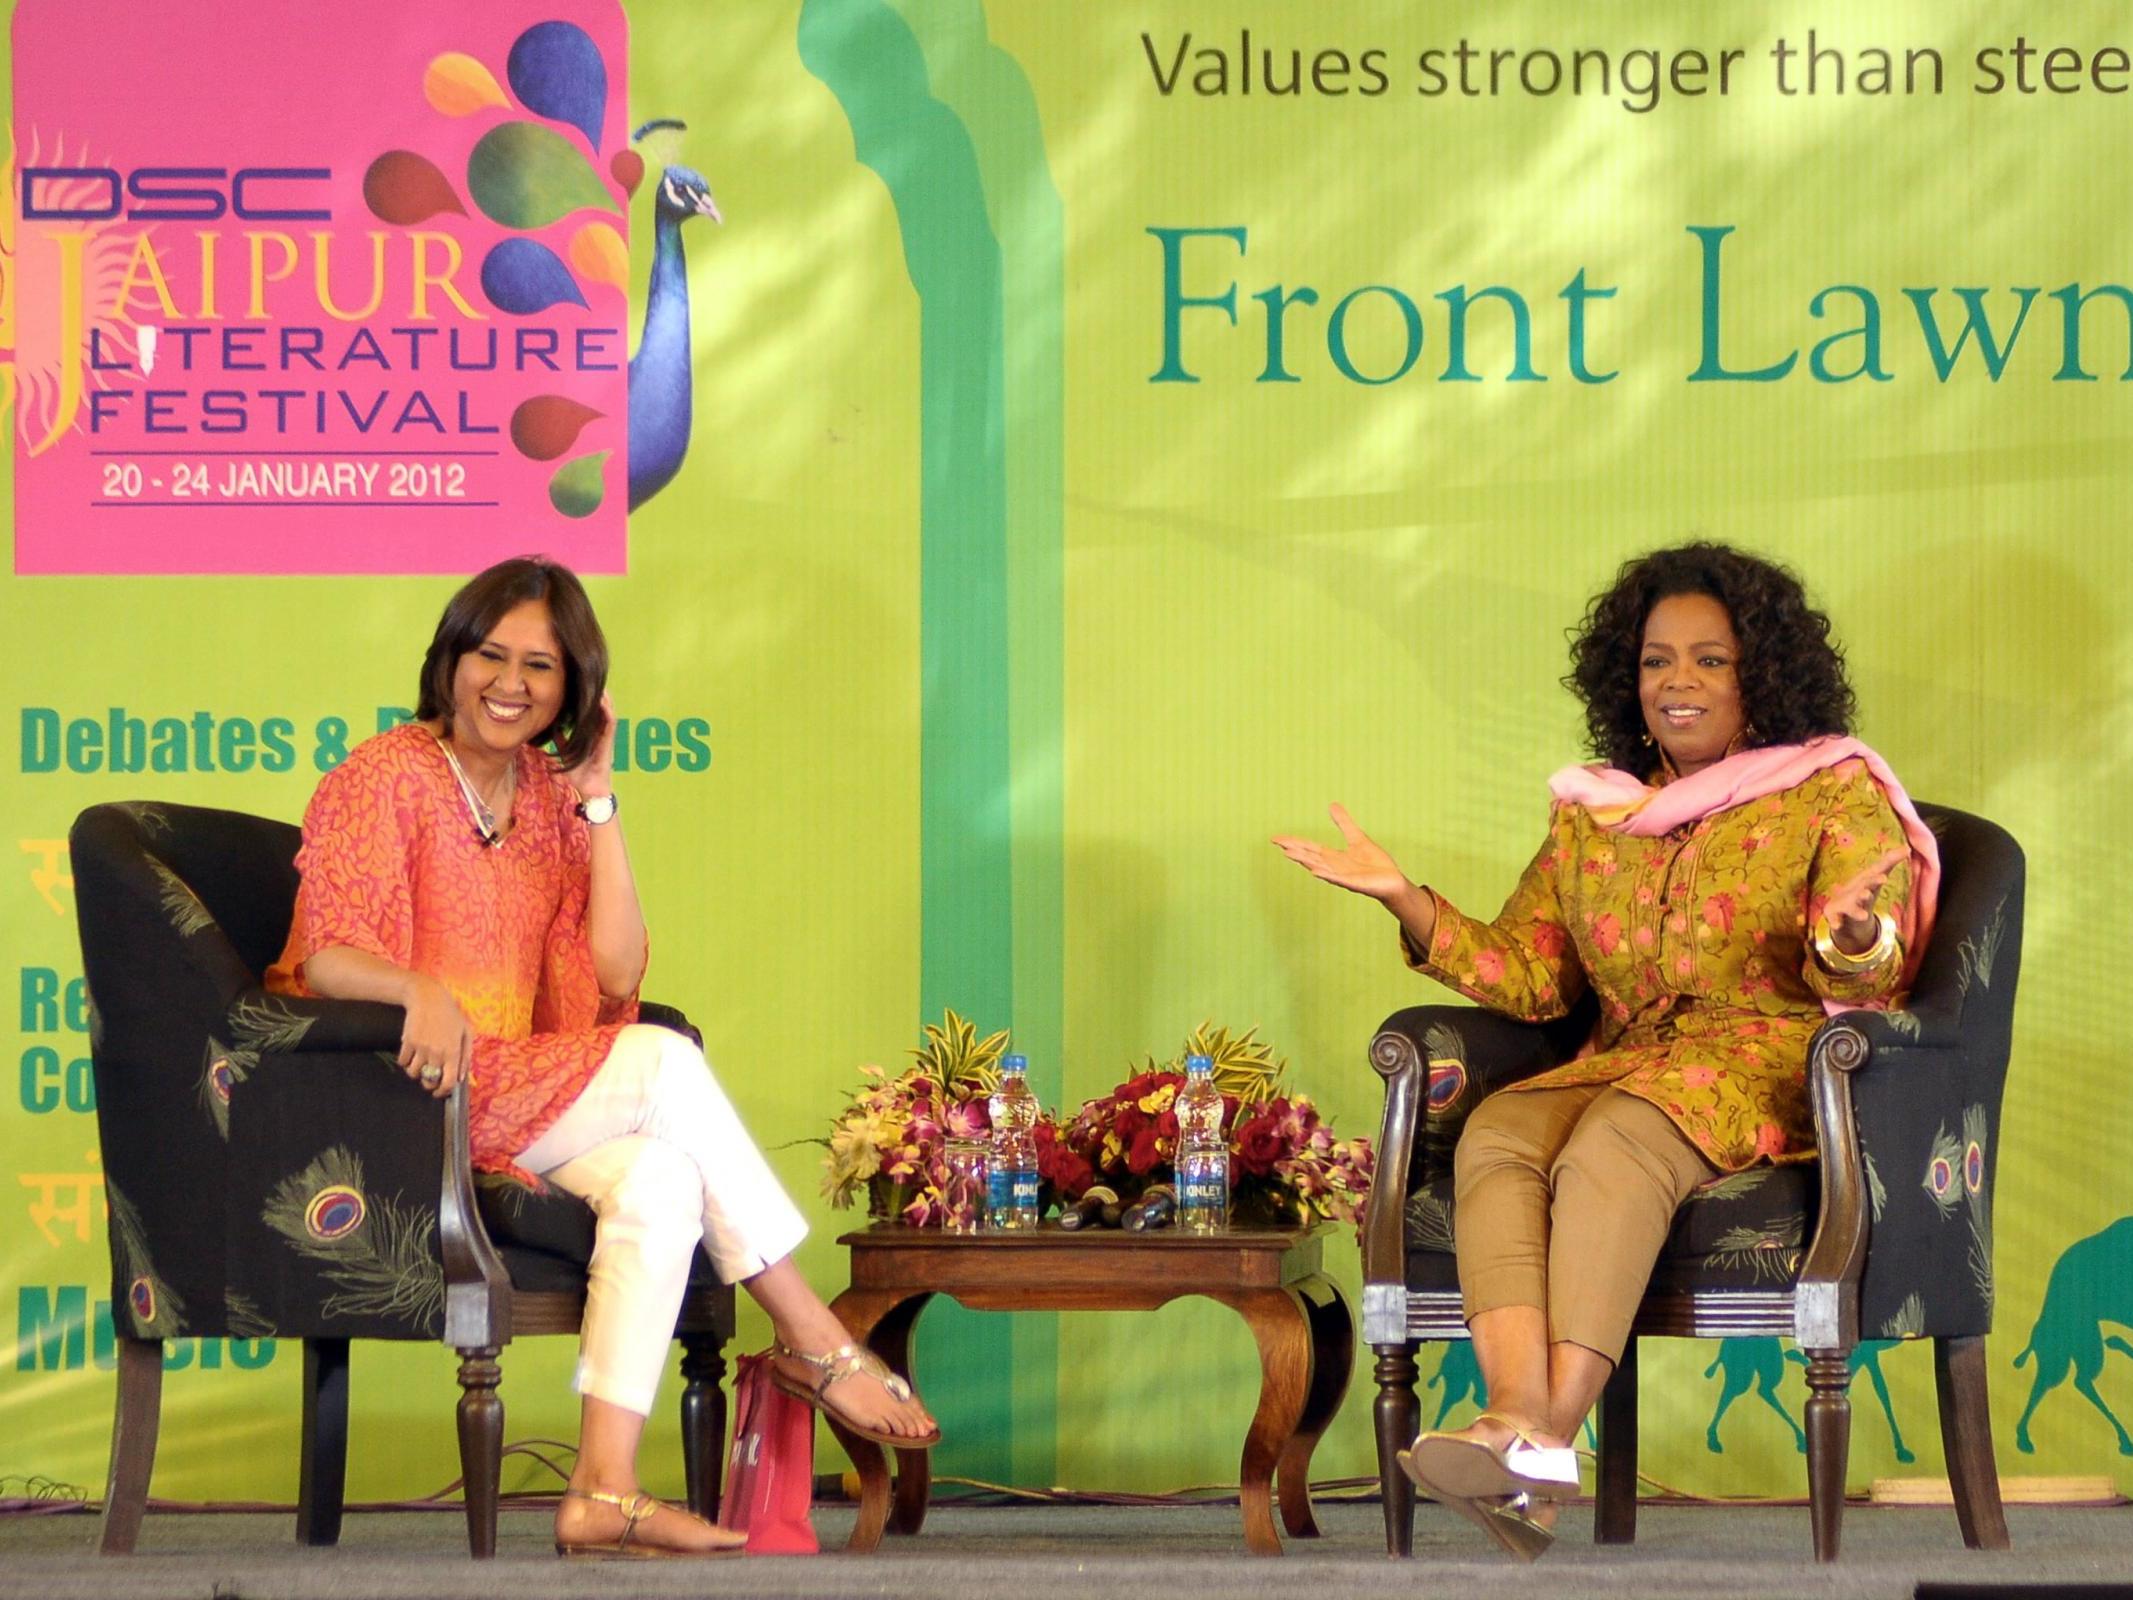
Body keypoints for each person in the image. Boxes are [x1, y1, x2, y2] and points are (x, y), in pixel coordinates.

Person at [1273, 542, 1938, 1560]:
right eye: (1656, 660)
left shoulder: (1831, 793)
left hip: (1760, 1059)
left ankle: (1547, 1436)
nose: (1678, 683)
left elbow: (1867, 960)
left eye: (1711, 660)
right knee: (1495, 1129)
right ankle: (1513, 1417)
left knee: (1613, 1143)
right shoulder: (1595, 815)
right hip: (1623, 1055)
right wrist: (1404, 895)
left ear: (1763, 671)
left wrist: (1853, 939)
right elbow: (1538, 977)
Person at [267, 556, 937, 1559]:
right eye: (488, 654)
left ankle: (602, 1490)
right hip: (406, 1090)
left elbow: (616, 967)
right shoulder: (385, 773)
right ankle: (813, 1333)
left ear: (572, 687)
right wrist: (419, 987)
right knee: (660, 1061)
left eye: (538, 664)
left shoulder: (547, 790)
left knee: (663, 1177)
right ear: (449, 660)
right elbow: (326, 951)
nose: (509, 681)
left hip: (516, 1096)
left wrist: (598, 800)